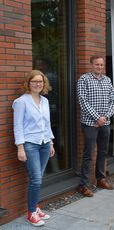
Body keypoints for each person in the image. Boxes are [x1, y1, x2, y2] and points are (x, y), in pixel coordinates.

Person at [13, 70, 55, 226]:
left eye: (41, 81)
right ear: (28, 83)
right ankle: (31, 213)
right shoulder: (21, 102)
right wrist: (20, 148)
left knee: (38, 178)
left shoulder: (44, 101)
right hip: (30, 144)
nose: (38, 84)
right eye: (35, 81)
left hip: (44, 143)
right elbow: (17, 126)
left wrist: (51, 142)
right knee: (36, 179)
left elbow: (47, 124)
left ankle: (36, 208)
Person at [77, 55, 114, 197]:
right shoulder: (84, 79)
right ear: (91, 65)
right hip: (89, 124)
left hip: (105, 123)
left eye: (101, 65)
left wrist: (104, 117)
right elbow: (83, 101)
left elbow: (112, 100)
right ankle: (85, 185)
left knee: (103, 152)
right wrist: (97, 118)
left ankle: (100, 179)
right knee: (88, 154)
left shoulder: (107, 80)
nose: (99, 67)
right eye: (97, 64)